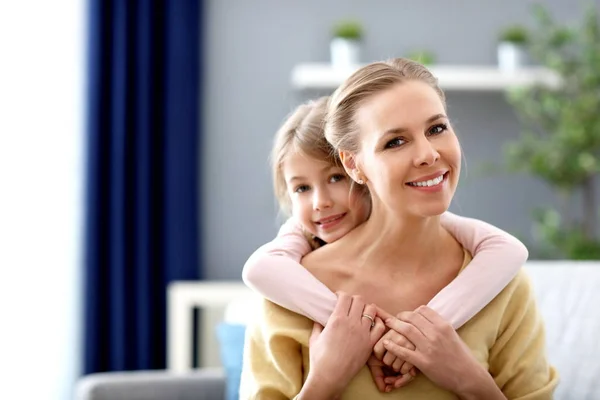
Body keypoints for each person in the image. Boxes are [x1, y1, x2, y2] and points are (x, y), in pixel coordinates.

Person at [240, 58, 558, 399]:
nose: (428, 154)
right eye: (395, 142)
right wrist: (325, 382)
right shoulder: (290, 292)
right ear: (354, 164)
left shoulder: (505, 286)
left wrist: (467, 378)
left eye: (437, 128)